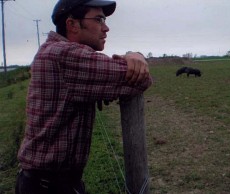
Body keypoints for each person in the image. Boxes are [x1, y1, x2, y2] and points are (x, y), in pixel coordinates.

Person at [15, 0, 152, 193]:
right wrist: (135, 55)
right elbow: (141, 80)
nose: (106, 28)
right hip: (51, 186)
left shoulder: (51, 50)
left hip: (43, 181)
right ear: (72, 24)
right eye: (99, 19)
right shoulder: (65, 54)